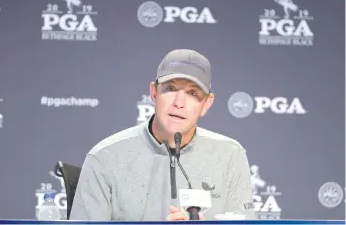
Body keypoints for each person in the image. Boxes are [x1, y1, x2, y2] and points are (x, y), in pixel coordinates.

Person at [69, 49, 256, 221]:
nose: (179, 102)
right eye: (171, 89)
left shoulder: (230, 155)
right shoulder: (104, 157)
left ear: (207, 104)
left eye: (192, 93)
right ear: (154, 93)